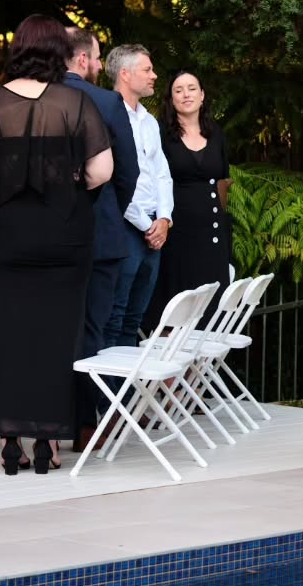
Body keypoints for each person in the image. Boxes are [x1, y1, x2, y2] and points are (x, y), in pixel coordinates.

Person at [0, 14, 113, 475]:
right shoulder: (75, 103)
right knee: (57, 337)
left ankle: (10, 441)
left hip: (12, 238)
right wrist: (67, 184)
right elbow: (102, 170)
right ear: (56, 53)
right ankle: (47, 442)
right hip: (65, 237)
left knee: (9, 335)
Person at [63, 27, 139, 450]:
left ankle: (59, 417)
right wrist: (105, 207)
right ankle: (87, 422)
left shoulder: (39, 97)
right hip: (103, 232)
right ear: (82, 59)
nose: (97, 65)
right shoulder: (108, 101)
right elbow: (127, 171)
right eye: (95, 58)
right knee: (94, 330)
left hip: (54, 236)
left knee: (58, 328)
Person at [144, 70, 231, 328]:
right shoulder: (160, 135)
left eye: (192, 88)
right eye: (178, 90)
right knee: (173, 314)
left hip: (213, 236)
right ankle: (170, 369)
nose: (186, 94)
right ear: (171, 99)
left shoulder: (216, 134)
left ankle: (199, 369)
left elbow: (224, 181)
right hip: (177, 236)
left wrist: (221, 222)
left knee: (211, 315)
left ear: (202, 95)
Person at [104, 44, 174, 348]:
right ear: (125, 73)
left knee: (135, 318)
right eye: (147, 69)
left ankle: (126, 396)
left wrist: (164, 218)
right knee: (114, 315)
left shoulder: (150, 121)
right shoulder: (107, 116)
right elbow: (116, 179)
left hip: (154, 230)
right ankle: (106, 394)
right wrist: (146, 224)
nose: (154, 76)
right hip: (125, 228)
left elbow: (162, 173)